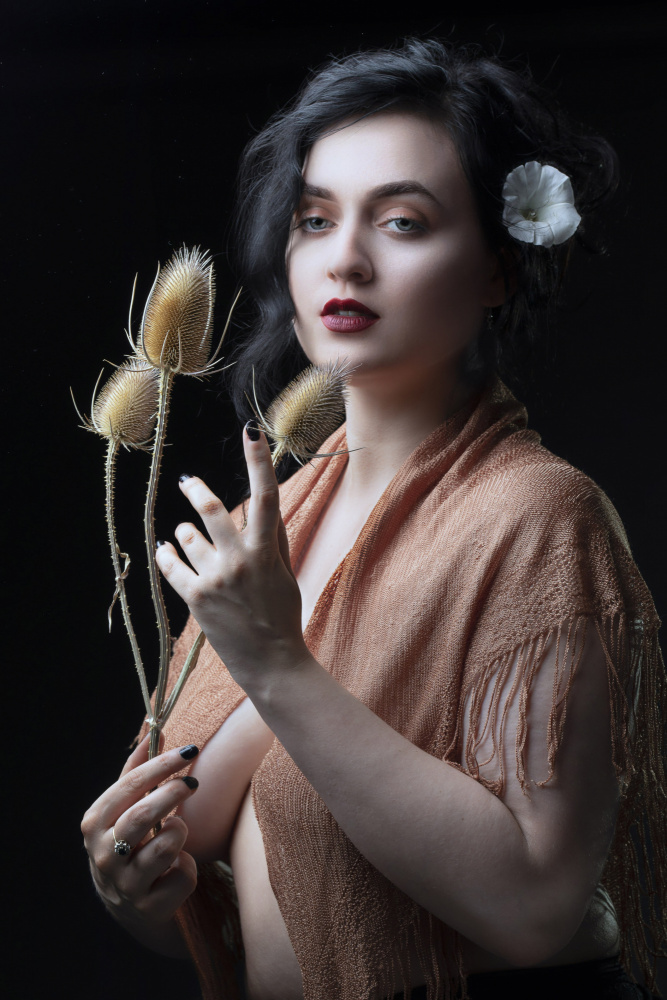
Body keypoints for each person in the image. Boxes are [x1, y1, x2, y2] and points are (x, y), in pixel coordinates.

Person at [81, 39, 665, 1000]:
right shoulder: (282, 519)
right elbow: (216, 870)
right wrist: (137, 888)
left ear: (496, 269)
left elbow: (532, 906)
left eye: (401, 220)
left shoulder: (533, 516)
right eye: (315, 218)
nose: (343, 257)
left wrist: (277, 663)